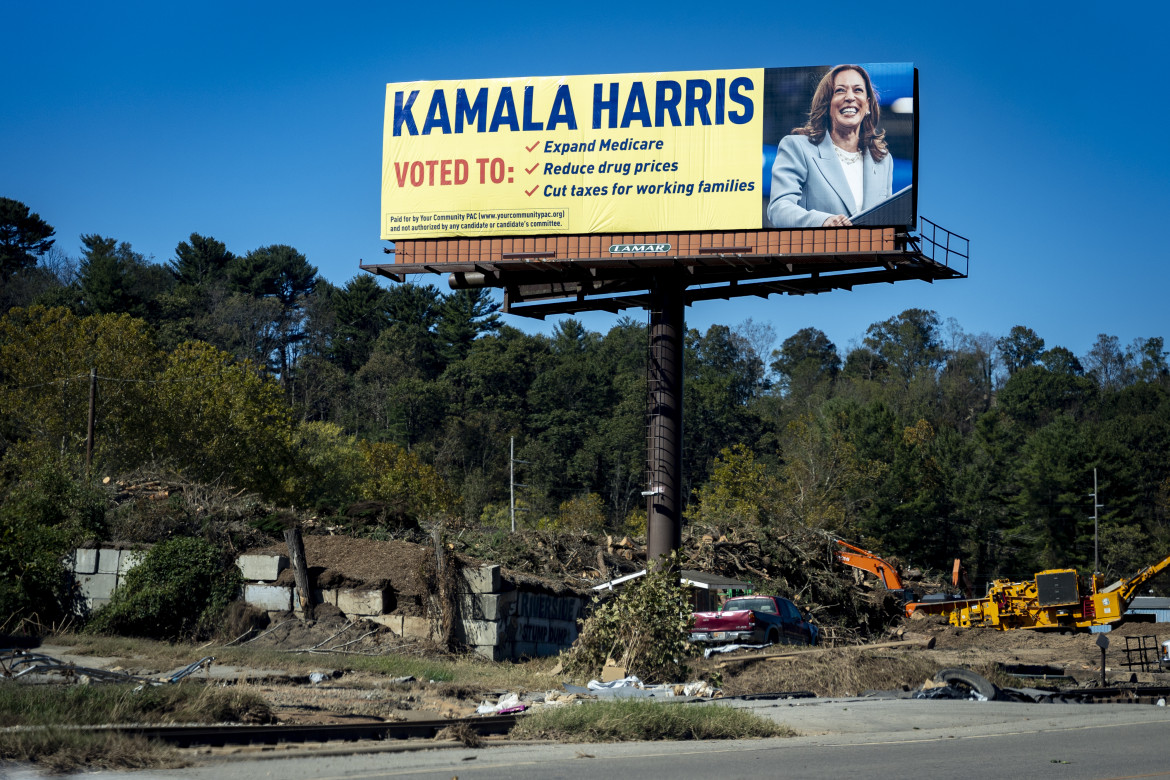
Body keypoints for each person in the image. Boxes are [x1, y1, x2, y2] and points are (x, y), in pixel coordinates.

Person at [767, 64, 892, 228]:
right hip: (819, 252)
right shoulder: (797, 147)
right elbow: (779, 209)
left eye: (858, 90)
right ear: (827, 104)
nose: (850, 97)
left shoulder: (883, 159)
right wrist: (822, 221)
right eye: (840, 90)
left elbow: (889, 221)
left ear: (868, 104)